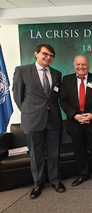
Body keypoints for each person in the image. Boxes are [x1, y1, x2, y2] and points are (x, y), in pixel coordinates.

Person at [12, 44, 65, 199]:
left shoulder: (56, 74)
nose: (48, 57)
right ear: (36, 54)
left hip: (53, 119)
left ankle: (55, 180)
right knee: (36, 154)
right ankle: (38, 183)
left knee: (55, 152)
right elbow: (17, 96)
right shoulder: (22, 71)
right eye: (45, 54)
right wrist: (29, 112)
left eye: (51, 55)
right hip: (33, 120)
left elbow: (54, 96)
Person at [60, 55, 92, 186]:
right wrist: (75, 115)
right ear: (74, 65)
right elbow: (63, 101)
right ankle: (83, 174)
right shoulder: (66, 79)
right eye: (78, 64)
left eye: (84, 64)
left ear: (89, 65)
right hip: (75, 122)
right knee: (79, 150)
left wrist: (91, 115)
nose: (81, 67)